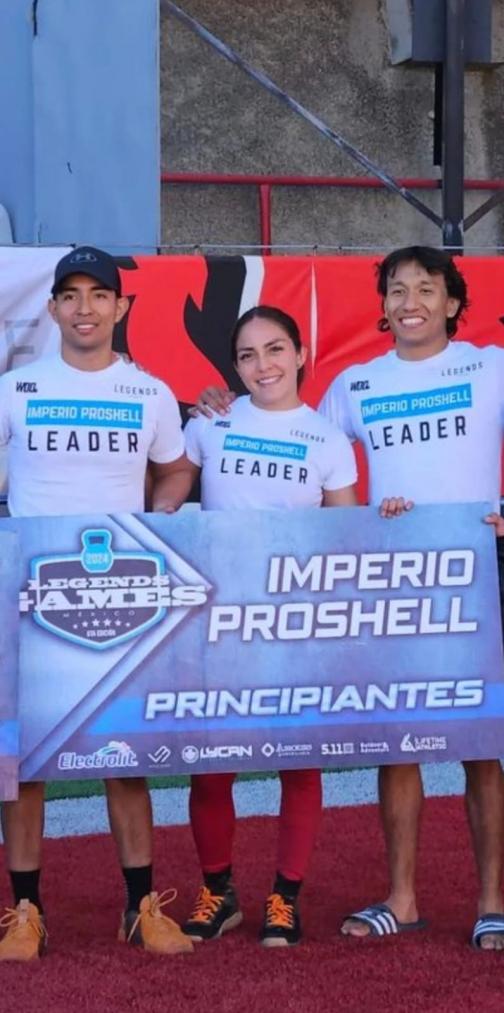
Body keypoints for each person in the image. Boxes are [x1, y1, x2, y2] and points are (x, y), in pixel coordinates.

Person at [192, 246, 504, 949]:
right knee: (399, 744)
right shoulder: (356, 386)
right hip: (392, 580)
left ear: (453, 302)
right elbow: (293, 428)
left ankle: (493, 902)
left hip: (473, 574)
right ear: (383, 306)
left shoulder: (489, 366)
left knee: (482, 748)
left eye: (426, 288)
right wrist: (220, 401)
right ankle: (402, 898)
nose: (410, 301)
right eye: (397, 290)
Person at [0, 246, 194, 960]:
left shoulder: (149, 392)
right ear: (53, 308)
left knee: (125, 753)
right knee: (23, 762)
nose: (85, 308)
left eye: (98, 295)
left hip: (120, 596)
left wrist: (162, 513)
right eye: (71, 295)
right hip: (29, 593)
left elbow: (175, 469)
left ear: (121, 306)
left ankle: (140, 905)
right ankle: (26, 910)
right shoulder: (15, 388)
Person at [180, 305, 357, 948]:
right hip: (217, 622)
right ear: (234, 366)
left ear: (301, 354)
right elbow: (165, 493)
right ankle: (218, 890)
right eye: (248, 355)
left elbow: (346, 538)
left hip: (295, 626)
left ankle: (285, 897)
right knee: (211, 765)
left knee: (300, 764)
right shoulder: (210, 423)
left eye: (275, 349)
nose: (263, 365)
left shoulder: (328, 441)